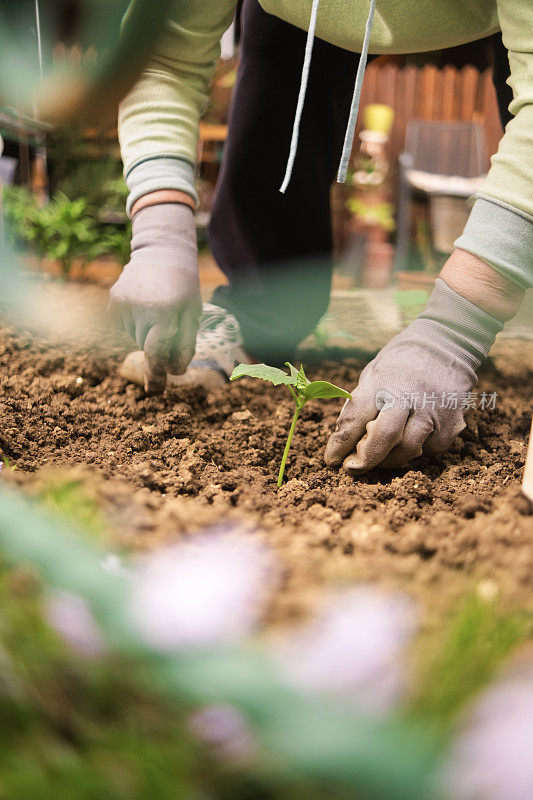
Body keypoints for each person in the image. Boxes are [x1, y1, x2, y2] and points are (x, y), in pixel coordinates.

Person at [110, 0, 532, 475]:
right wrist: (159, 233)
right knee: (281, 62)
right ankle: (256, 317)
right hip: (296, 15)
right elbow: (163, 59)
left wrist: (452, 333)